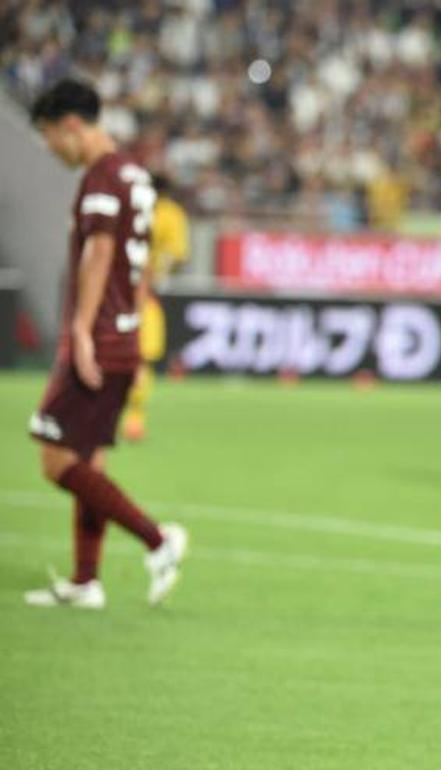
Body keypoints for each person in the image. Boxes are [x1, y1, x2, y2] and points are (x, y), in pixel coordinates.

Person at [24, 78, 188, 610]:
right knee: (88, 461)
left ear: (71, 125)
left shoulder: (101, 178)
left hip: (97, 336)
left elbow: (99, 254)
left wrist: (80, 331)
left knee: (54, 457)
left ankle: (157, 540)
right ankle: (85, 580)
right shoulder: (134, 175)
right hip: (122, 333)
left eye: (50, 136)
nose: (50, 149)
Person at [121, 173, 189, 442]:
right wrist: (159, 270)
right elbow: (177, 255)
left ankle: (110, 414)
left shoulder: (130, 208)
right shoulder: (171, 214)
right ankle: (134, 419)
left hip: (118, 294)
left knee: (119, 357)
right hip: (146, 297)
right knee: (141, 360)